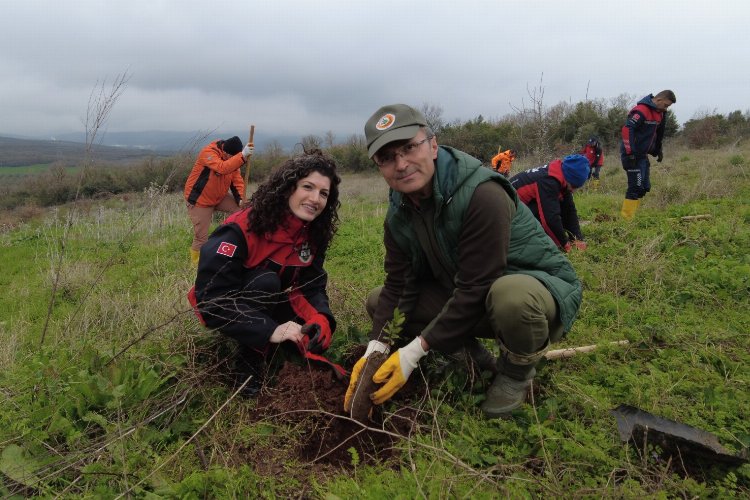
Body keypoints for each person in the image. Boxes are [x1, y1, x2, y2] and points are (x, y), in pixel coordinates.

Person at [343, 104, 583, 418]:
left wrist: (414, 352)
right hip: (472, 294)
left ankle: (515, 372)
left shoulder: (482, 194)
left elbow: (477, 285)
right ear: (379, 166)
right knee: (380, 304)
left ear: (432, 145)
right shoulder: (399, 212)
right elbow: (399, 284)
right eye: (387, 158)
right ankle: (475, 359)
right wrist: (376, 347)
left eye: (408, 148)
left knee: (512, 297)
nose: (401, 164)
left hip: (534, 293)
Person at [188, 149, 343, 393]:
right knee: (266, 281)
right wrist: (270, 329)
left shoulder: (312, 234)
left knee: (311, 339)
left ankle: (274, 338)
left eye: (324, 193)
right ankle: (249, 362)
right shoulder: (240, 229)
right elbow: (211, 301)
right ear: (289, 187)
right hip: (227, 307)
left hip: (269, 300)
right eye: (308, 187)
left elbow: (311, 285)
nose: (315, 199)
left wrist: (321, 318)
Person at [184, 136, 254, 266]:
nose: (230, 159)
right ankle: (196, 265)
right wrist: (242, 156)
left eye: (233, 157)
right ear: (224, 151)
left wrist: (240, 199)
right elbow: (222, 167)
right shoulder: (208, 153)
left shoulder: (232, 158)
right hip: (200, 200)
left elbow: (236, 180)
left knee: (243, 210)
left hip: (219, 197)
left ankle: (236, 240)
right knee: (201, 237)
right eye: (229, 156)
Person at [509, 154, 589, 252]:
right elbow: (549, 219)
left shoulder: (561, 174)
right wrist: (564, 244)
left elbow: (569, 210)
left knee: (560, 205)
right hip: (508, 213)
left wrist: (577, 238)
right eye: (574, 186)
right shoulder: (549, 181)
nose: (574, 190)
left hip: (522, 206)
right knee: (548, 212)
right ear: (569, 178)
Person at [620, 90, 676, 220]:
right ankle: (626, 219)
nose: (666, 109)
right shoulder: (641, 110)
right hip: (631, 155)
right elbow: (627, 129)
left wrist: (658, 149)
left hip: (642, 156)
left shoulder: (660, 114)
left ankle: (631, 215)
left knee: (644, 187)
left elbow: (658, 133)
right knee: (635, 187)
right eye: (666, 105)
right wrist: (630, 153)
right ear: (659, 100)